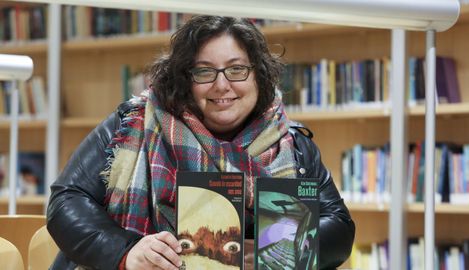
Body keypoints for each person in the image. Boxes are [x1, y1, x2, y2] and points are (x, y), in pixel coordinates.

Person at [47, 15, 355, 270]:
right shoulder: (136, 122)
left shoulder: (292, 144)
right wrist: (126, 253)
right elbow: (67, 200)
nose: (222, 85)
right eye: (204, 71)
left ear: (258, 76)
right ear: (185, 79)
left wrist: (271, 247)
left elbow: (339, 228)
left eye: (237, 69)